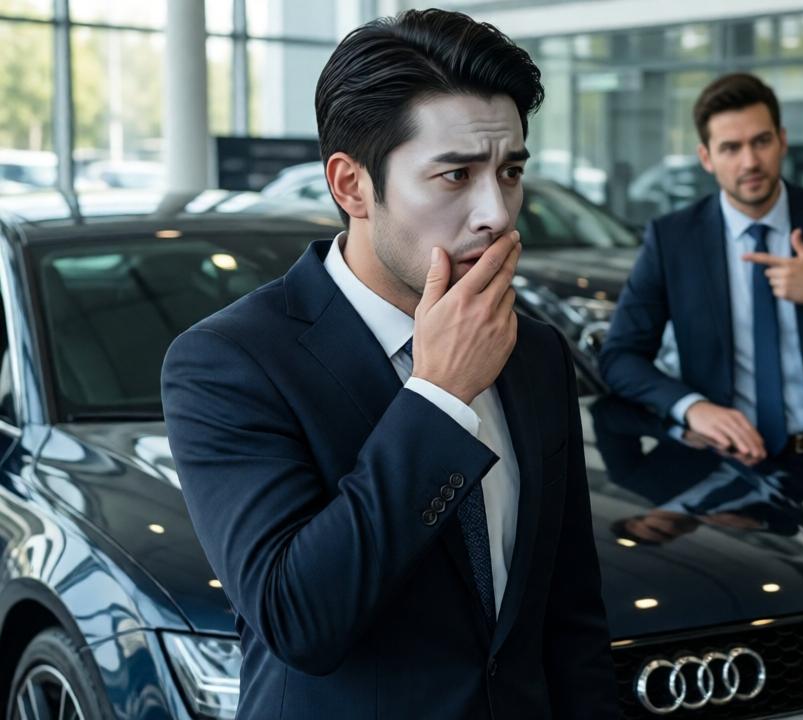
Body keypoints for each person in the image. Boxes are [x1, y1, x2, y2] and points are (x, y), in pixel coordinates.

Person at [161, 10, 617, 719]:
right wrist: (439, 394)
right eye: (455, 175)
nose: (496, 212)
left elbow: (569, 613)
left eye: (510, 171)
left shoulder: (534, 349)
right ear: (350, 186)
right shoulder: (230, 362)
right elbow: (300, 621)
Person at [598, 72, 803, 530]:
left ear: (782, 140)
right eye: (731, 148)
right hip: (721, 469)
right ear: (706, 158)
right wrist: (693, 407)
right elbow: (619, 358)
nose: (750, 160)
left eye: (761, 141)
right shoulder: (673, 239)